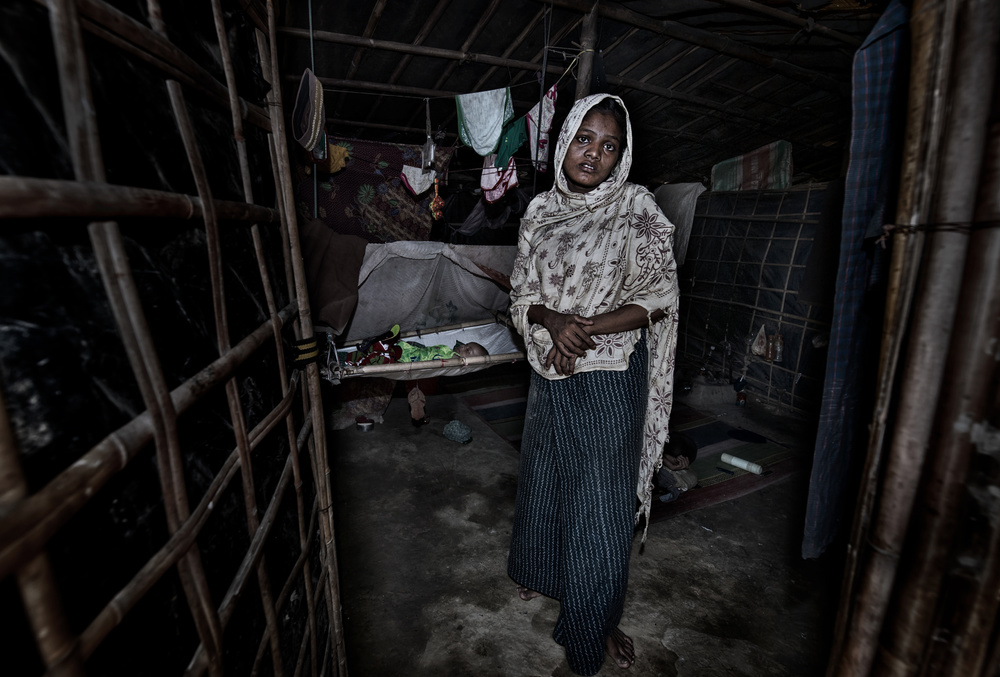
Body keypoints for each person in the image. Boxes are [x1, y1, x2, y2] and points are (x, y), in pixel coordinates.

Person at [506, 93, 679, 675]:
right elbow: (521, 293)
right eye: (585, 139)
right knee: (547, 480)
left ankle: (594, 624)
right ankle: (542, 574)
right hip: (550, 368)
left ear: (621, 157)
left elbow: (656, 295)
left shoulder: (636, 208)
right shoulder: (538, 212)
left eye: (610, 146)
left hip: (609, 375)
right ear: (565, 142)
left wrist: (583, 328)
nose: (594, 154)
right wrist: (551, 323)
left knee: (600, 512)